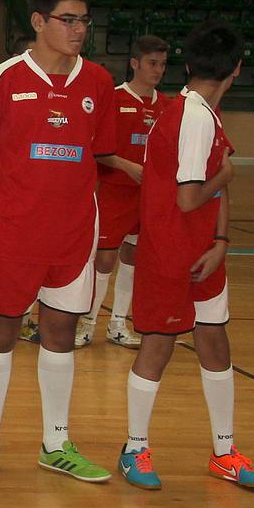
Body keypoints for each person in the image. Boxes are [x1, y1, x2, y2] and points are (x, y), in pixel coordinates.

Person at [0, 0, 118, 485]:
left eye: (83, 20)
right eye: (68, 19)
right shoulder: (1, 79)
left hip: (73, 232)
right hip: (13, 231)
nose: (78, 29)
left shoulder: (99, 82)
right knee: (1, 329)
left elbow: (99, 155)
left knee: (61, 332)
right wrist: (7, 201)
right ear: (39, 22)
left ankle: (56, 443)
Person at [118, 22, 254, 491]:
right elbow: (189, 197)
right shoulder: (193, 117)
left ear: (186, 64)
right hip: (170, 251)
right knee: (158, 346)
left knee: (214, 343)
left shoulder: (205, 112)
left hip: (203, 253)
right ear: (237, 68)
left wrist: (221, 241)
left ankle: (225, 452)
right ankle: (134, 449)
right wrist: (225, 176)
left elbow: (213, 190)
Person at [85, 35, 169, 349]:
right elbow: (96, 149)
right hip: (114, 192)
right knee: (104, 259)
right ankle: (88, 323)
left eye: (162, 64)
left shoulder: (167, 106)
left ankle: (118, 324)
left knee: (133, 256)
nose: (158, 70)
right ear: (135, 63)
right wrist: (126, 166)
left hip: (147, 198)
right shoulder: (115, 99)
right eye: (152, 63)